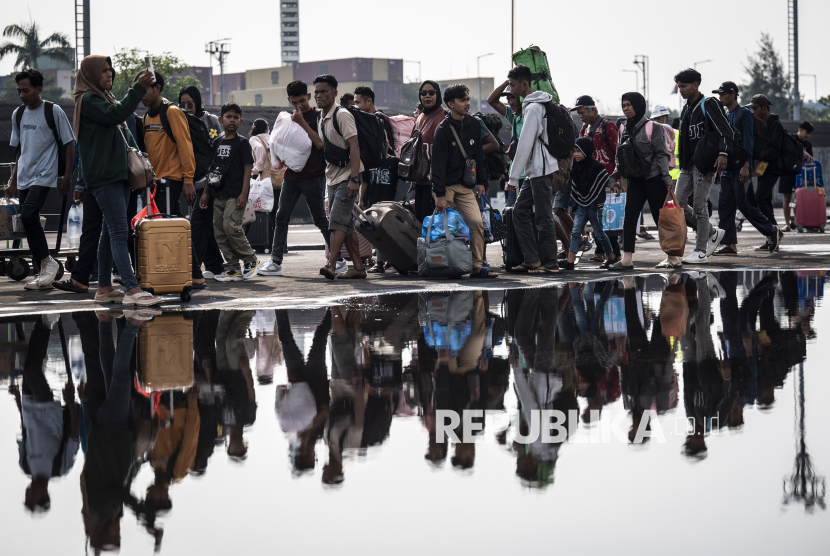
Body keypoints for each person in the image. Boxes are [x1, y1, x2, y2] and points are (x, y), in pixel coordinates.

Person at [73, 55, 161, 305]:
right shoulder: (89, 99)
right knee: (120, 232)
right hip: (104, 176)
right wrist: (139, 88)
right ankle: (132, 289)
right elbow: (117, 114)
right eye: (103, 71)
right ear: (90, 75)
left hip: (118, 174)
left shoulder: (104, 98)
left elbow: (125, 134)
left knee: (108, 232)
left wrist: (146, 167)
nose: (109, 74)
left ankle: (103, 288)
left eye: (111, 70)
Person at [260, 80, 342, 277]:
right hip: (292, 176)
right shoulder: (288, 119)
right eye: (295, 102)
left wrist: (302, 122)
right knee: (281, 217)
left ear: (309, 96)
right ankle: (276, 261)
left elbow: (321, 144)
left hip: (313, 176)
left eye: (302, 100)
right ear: (288, 100)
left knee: (320, 219)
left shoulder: (317, 116)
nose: (299, 105)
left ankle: (337, 260)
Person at [7, 68, 76, 290]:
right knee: (27, 219)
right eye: (19, 91)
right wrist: (13, 180)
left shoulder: (53, 111)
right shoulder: (18, 114)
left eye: (25, 90)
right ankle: (45, 267)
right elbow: (19, 151)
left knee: (28, 214)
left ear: (39, 89)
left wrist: (66, 176)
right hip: (25, 174)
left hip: (44, 174)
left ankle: (47, 263)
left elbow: (69, 144)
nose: (22, 95)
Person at [137, 71, 204, 288]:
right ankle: (192, 273)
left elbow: (186, 147)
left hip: (173, 181)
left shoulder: (172, 112)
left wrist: (188, 180)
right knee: (173, 229)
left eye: (145, 88)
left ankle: (194, 274)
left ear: (157, 88)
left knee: (175, 228)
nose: (141, 94)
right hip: (156, 183)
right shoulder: (147, 116)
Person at [504, 66, 566, 275]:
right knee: (520, 211)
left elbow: (525, 143)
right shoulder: (536, 104)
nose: (511, 90)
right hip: (536, 170)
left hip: (540, 169)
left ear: (524, 84)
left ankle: (550, 263)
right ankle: (532, 259)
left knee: (543, 217)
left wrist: (513, 178)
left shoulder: (533, 108)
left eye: (513, 85)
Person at [431, 84, 498, 279]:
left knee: (476, 223)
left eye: (468, 99)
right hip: (446, 187)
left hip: (466, 186)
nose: (467, 104)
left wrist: (481, 182)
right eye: (462, 100)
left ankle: (477, 267)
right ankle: (446, 264)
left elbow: (478, 155)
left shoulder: (474, 124)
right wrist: (440, 194)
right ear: (451, 104)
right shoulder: (442, 130)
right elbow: (437, 165)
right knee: (446, 229)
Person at [607, 93, 675, 270]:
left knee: (660, 219)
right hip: (635, 180)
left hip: (654, 179)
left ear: (638, 106)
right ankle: (627, 259)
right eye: (624, 105)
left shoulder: (653, 127)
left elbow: (662, 155)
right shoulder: (622, 127)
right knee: (629, 218)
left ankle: (673, 257)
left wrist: (667, 179)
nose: (626, 108)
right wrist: (615, 177)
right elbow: (619, 156)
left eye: (629, 105)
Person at [711, 82, 780, 255]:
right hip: (728, 169)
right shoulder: (726, 115)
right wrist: (719, 170)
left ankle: (772, 231)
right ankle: (730, 244)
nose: (720, 97)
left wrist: (747, 166)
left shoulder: (745, 113)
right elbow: (725, 144)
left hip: (741, 167)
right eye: (719, 94)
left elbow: (749, 140)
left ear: (733, 94)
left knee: (746, 205)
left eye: (723, 94)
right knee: (725, 206)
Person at [674, 68, 733, 264]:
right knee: (678, 202)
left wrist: (723, 153)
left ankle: (700, 251)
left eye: (684, 86)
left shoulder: (709, 103)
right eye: (679, 86)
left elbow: (725, 130)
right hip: (687, 164)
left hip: (704, 162)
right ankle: (712, 233)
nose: (680, 90)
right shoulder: (686, 109)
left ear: (696, 85)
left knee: (700, 206)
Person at [199, 102, 260, 281]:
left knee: (231, 228)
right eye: (228, 117)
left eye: (235, 118)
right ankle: (232, 267)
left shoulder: (243, 143)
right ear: (220, 120)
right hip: (218, 194)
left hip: (236, 194)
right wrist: (205, 192)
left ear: (240, 122)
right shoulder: (216, 142)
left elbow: (248, 170)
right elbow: (212, 170)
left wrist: (243, 194)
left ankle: (251, 259)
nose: (232, 120)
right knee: (219, 231)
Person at [314, 74, 367, 280]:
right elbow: (321, 145)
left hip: (347, 177)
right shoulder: (322, 117)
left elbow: (354, 145)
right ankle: (359, 268)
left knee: (336, 221)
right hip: (332, 177)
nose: (319, 95)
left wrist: (354, 179)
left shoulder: (342, 115)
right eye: (317, 91)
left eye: (324, 91)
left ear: (334, 93)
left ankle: (331, 265)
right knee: (345, 226)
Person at [179, 85, 224, 280]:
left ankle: (193, 268)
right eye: (183, 104)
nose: (187, 108)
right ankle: (216, 266)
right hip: (191, 181)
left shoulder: (211, 121)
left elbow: (222, 148)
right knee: (204, 226)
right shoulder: (180, 121)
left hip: (210, 182)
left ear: (197, 102)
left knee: (198, 224)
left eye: (190, 104)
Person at [572, 95, 622, 260]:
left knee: (608, 217)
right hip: (591, 180)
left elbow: (617, 151)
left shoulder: (607, 125)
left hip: (608, 177)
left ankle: (613, 253)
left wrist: (617, 178)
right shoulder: (583, 129)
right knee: (598, 218)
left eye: (583, 112)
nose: (581, 115)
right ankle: (602, 252)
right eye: (578, 113)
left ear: (593, 109)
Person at [561, 138, 617, 270]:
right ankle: (570, 261)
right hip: (581, 206)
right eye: (574, 151)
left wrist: (613, 186)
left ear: (586, 151)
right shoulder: (575, 168)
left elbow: (605, 181)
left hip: (595, 206)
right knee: (575, 232)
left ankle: (611, 257)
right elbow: (573, 187)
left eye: (579, 151)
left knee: (599, 233)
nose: (576, 154)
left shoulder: (596, 167)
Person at [746, 94, 785, 243]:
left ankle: (774, 231)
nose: (753, 111)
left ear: (764, 107)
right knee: (766, 200)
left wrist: (759, 156)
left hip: (773, 167)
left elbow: (775, 149)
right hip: (763, 167)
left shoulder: (775, 124)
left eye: (755, 108)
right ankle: (772, 236)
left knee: (759, 198)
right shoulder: (761, 124)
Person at [488, 81, 525, 207]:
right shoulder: (513, 116)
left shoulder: (531, 115)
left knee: (531, 216)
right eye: (508, 99)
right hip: (515, 175)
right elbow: (491, 100)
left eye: (513, 97)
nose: (510, 102)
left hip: (528, 175)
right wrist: (507, 82)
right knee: (511, 214)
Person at [412, 81, 445, 223]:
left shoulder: (443, 116)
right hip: (420, 179)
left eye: (431, 92)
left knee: (431, 224)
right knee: (420, 220)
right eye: (423, 93)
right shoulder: (420, 117)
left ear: (437, 94)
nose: (427, 96)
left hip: (435, 182)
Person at [778, 120, 815, 230]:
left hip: (801, 174)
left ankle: (801, 221)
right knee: (787, 198)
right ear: (800, 130)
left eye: (809, 134)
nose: (807, 136)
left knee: (802, 198)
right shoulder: (790, 138)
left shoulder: (808, 144)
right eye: (806, 133)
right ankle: (787, 224)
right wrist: (803, 152)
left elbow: (810, 161)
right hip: (787, 172)